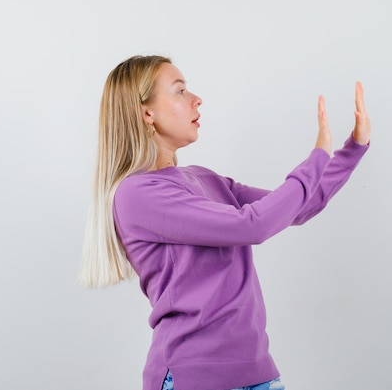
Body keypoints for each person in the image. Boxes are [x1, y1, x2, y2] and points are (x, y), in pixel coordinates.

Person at [78, 55, 370, 390]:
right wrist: (318, 155)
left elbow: (297, 206)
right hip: (195, 378)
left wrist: (353, 149)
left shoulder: (205, 179)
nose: (196, 99)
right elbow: (253, 226)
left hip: (259, 374)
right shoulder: (138, 194)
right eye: (180, 91)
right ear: (147, 113)